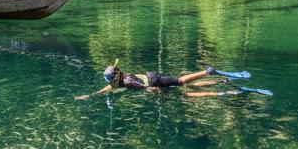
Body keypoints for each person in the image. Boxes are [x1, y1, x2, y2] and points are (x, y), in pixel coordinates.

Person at [74, 60, 216, 99]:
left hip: (154, 82)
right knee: (179, 82)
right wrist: (92, 95)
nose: (111, 85)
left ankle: (206, 72)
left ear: (115, 79)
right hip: (152, 75)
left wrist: (157, 93)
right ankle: (208, 74)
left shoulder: (127, 83)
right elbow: (108, 89)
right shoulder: (125, 77)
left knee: (181, 82)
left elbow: (145, 88)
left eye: (111, 81)